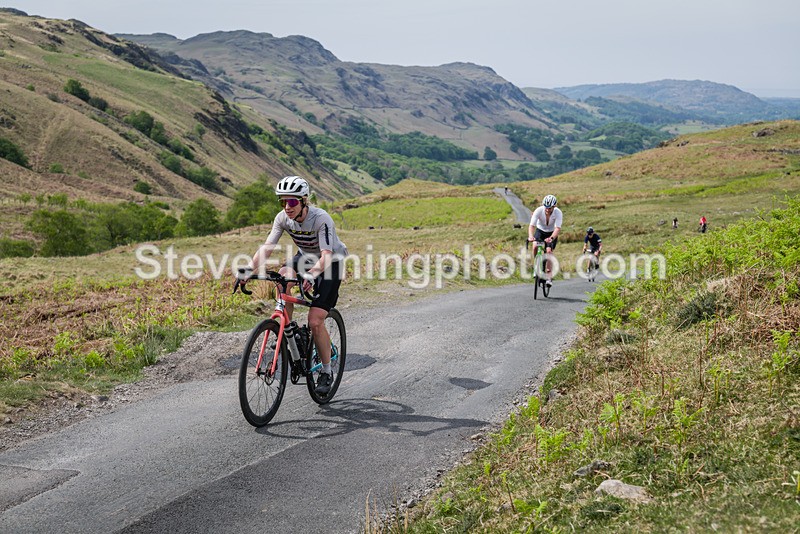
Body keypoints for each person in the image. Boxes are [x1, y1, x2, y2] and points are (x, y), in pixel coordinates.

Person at [242, 175, 348, 395]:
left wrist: (311, 275)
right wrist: (247, 270)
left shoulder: (321, 218)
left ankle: (326, 371)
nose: (287, 207)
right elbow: (267, 247)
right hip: (306, 257)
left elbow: (326, 255)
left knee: (315, 320)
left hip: (331, 261)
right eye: (283, 201)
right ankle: (289, 332)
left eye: (291, 202)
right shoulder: (282, 218)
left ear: (303, 201)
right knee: (283, 277)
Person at [528, 194, 562, 286]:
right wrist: (531, 236)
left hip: (551, 233)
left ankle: (549, 277)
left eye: (549, 208)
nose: (547, 209)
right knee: (535, 246)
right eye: (546, 207)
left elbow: (557, 228)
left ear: (554, 207)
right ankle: (536, 266)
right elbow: (532, 225)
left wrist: (551, 238)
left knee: (549, 252)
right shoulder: (538, 210)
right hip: (540, 231)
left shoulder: (558, 213)